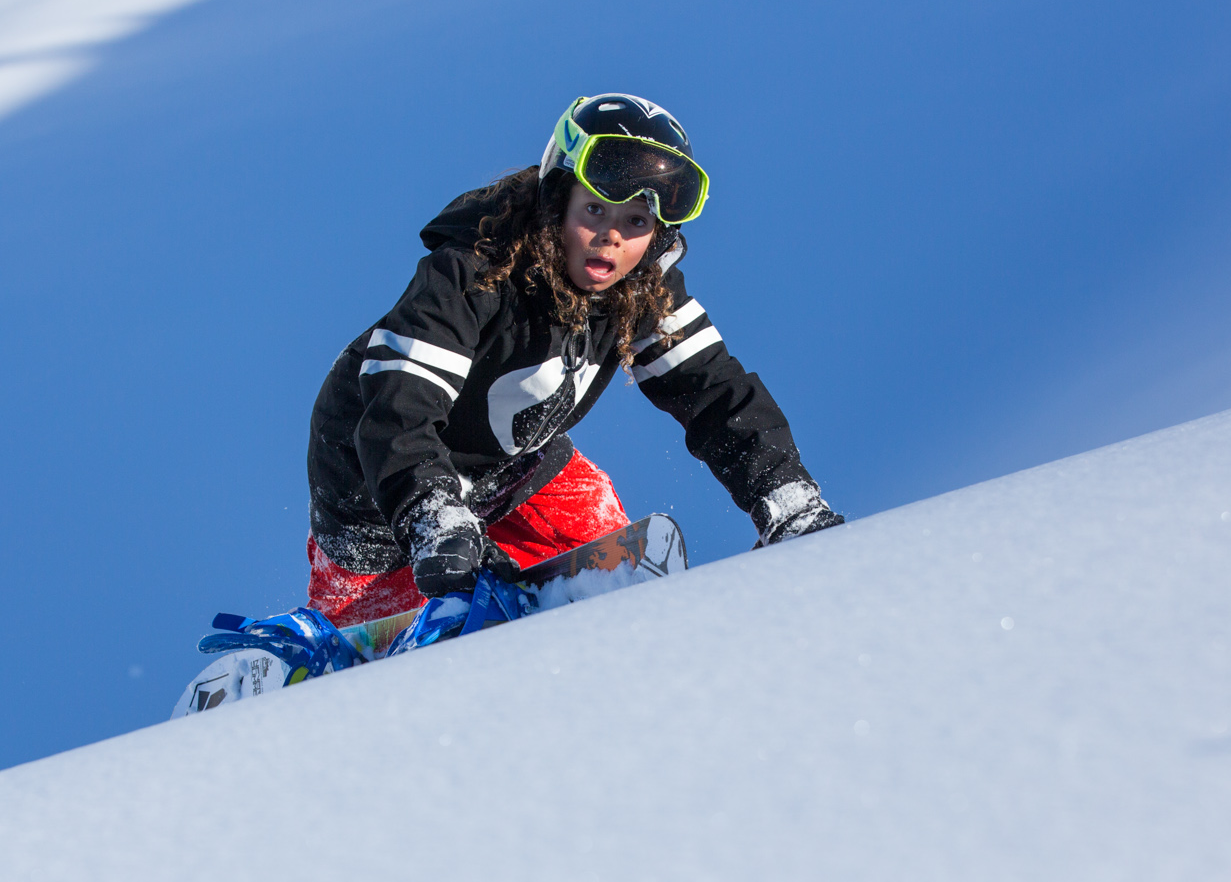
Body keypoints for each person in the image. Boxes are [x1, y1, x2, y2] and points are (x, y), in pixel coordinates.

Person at [305, 94, 842, 626]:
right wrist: (432, 517)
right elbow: (401, 399)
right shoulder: (476, 269)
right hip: (376, 471)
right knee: (414, 599)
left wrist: (784, 495)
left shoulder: (644, 291)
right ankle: (314, 651)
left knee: (599, 534)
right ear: (556, 199)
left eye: (635, 223)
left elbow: (715, 393)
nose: (611, 236)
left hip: (510, 469)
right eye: (594, 210)